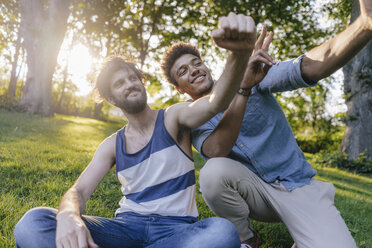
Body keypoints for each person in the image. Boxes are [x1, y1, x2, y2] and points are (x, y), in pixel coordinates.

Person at [14, 14, 257, 248]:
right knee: (33, 223)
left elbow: (216, 102)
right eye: (119, 83)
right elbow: (79, 190)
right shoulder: (111, 145)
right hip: (125, 230)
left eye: (133, 78)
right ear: (111, 98)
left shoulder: (174, 117)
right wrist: (68, 214)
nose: (130, 84)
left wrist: (240, 54)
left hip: (177, 232)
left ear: (141, 82)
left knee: (222, 233)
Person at [161, 1, 372, 247]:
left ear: (205, 65)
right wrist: (243, 89)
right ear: (178, 88)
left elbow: (310, 67)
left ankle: (305, 230)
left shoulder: (251, 71)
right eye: (183, 71)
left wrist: (364, 26)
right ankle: (246, 238)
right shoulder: (190, 117)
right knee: (213, 173)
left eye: (196, 63)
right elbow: (215, 150)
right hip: (257, 194)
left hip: (298, 187)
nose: (194, 70)